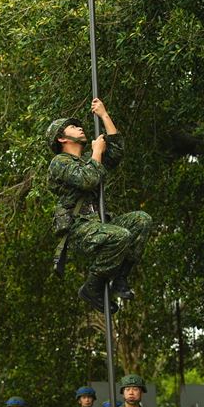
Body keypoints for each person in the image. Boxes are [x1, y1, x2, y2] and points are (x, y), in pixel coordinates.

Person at [45, 99, 152, 312]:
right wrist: (97, 152)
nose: (79, 128)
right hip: (79, 228)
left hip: (99, 223)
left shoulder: (89, 159)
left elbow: (117, 151)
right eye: (72, 127)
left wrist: (104, 115)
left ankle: (120, 279)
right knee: (120, 235)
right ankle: (92, 287)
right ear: (61, 138)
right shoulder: (60, 162)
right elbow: (88, 179)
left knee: (141, 220)